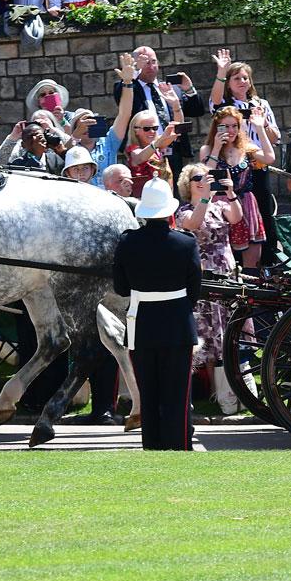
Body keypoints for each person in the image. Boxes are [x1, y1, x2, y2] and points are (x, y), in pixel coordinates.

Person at [112, 176, 202, 451]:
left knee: (148, 393)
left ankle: (152, 445)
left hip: (142, 323)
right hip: (176, 322)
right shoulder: (186, 243)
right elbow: (194, 288)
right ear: (169, 210)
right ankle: (179, 445)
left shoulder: (128, 242)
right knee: (177, 393)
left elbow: (121, 287)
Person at [175, 163, 244, 414]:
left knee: (228, 331)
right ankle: (213, 394)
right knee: (208, 335)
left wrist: (231, 193)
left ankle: (230, 393)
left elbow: (236, 218)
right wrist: (205, 197)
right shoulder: (183, 209)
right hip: (203, 276)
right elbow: (193, 224)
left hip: (227, 271)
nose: (202, 181)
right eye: (196, 178)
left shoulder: (220, 205)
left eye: (206, 177)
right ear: (187, 183)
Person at [199, 105, 274, 270]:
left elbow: (269, 158)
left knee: (252, 259)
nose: (231, 130)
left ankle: (251, 289)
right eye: (226, 126)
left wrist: (260, 128)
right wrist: (217, 147)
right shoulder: (208, 149)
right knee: (223, 256)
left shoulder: (246, 148)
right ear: (217, 127)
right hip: (220, 205)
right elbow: (206, 172)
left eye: (235, 126)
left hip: (246, 203)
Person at [115, 45, 206, 178]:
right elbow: (121, 94)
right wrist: (133, 72)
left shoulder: (170, 88)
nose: (150, 66)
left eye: (153, 61)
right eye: (145, 62)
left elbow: (197, 110)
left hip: (174, 152)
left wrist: (189, 89)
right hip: (145, 153)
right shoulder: (129, 88)